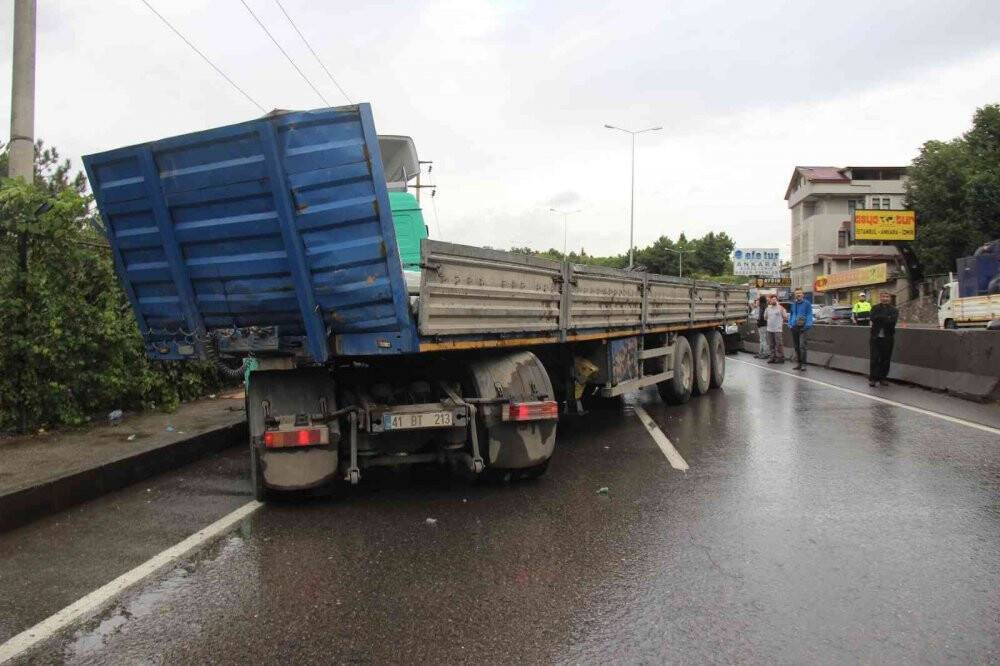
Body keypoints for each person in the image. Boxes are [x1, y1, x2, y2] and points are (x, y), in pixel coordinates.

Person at [868, 291, 899, 387]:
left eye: (887, 296)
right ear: (880, 298)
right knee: (874, 358)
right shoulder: (875, 308)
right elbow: (873, 318)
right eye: (883, 296)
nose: (885, 298)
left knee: (885, 359)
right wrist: (885, 317)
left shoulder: (894, 310)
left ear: (889, 298)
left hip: (888, 338)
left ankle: (883, 378)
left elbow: (892, 321)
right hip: (875, 338)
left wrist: (880, 317)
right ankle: (873, 378)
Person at [787, 288, 813, 371]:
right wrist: (790, 323)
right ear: (795, 295)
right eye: (796, 293)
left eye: (800, 293)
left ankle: (804, 364)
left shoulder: (807, 304)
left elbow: (809, 315)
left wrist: (807, 325)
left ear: (803, 294)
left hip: (803, 327)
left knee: (802, 346)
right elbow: (791, 314)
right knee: (796, 346)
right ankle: (799, 363)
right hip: (794, 327)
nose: (798, 295)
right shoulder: (793, 304)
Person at [765, 294, 788, 363]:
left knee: (779, 344)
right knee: (771, 344)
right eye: (772, 299)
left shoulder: (781, 308)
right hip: (769, 329)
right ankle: (772, 357)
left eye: (775, 299)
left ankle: (780, 357)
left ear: (777, 300)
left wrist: (779, 322)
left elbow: (785, 317)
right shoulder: (767, 308)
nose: (773, 301)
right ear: (770, 301)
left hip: (778, 329)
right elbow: (765, 317)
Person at [755, 295, 770, 359]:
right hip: (765, 324)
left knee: (763, 340)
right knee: (762, 339)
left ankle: (765, 353)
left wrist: (758, 321)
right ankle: (761, 353)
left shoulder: (762, 307)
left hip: (762, 325)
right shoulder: (766, 306)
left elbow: (760, 317)